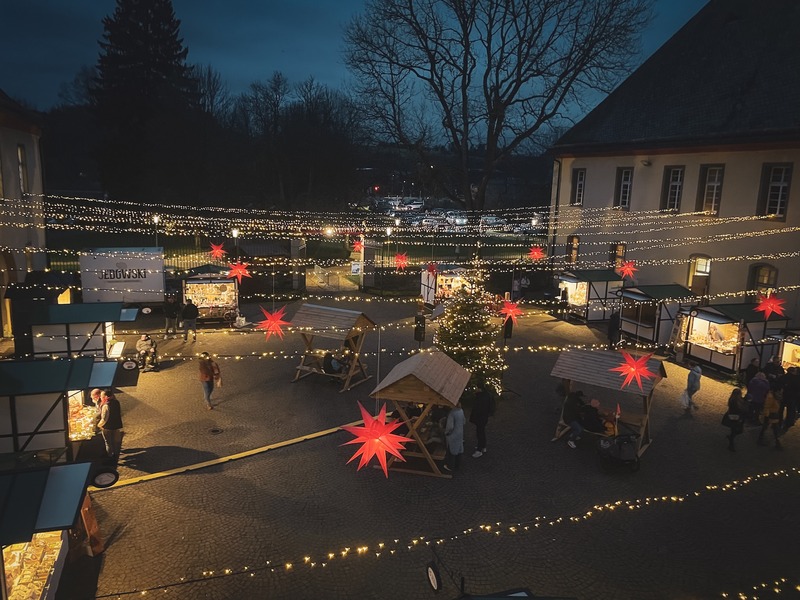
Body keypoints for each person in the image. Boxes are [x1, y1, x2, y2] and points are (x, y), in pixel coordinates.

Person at [469, 382, 493, 458]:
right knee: (481, 432)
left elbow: (479, 409)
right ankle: (483, 446)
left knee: (480, 433)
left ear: (480, 389)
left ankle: (479, 450)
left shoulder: (481, 398)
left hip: (480, 418)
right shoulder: (486, 395)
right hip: (483, 418)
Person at [98, 390, 123, 459]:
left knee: (108, 442)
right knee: (115, 442)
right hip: (116, 425)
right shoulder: (117, 402)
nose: (101, 398)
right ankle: (116, 454)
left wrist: (99, 425)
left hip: (107, 427)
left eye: (102, 396)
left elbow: (104, 418)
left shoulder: (106, 405)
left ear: (105, 397)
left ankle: (110, 456)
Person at [443, 401, 465, 472]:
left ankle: (450, 466)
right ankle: (458, 465)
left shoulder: (452, 413)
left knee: (451, 451)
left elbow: (450, 427)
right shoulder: (461, 411)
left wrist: (446, 432)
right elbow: (464, 421)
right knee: (459, 450)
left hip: (453, 435)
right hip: (460, 433)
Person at [779, 366, 799, 431]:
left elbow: (779, 385)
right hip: (792, 397)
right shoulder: (796, 378)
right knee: (790, 410)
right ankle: (788, 422)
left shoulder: (783, 377)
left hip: (784, 396)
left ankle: (779, 421)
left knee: (781, 409)